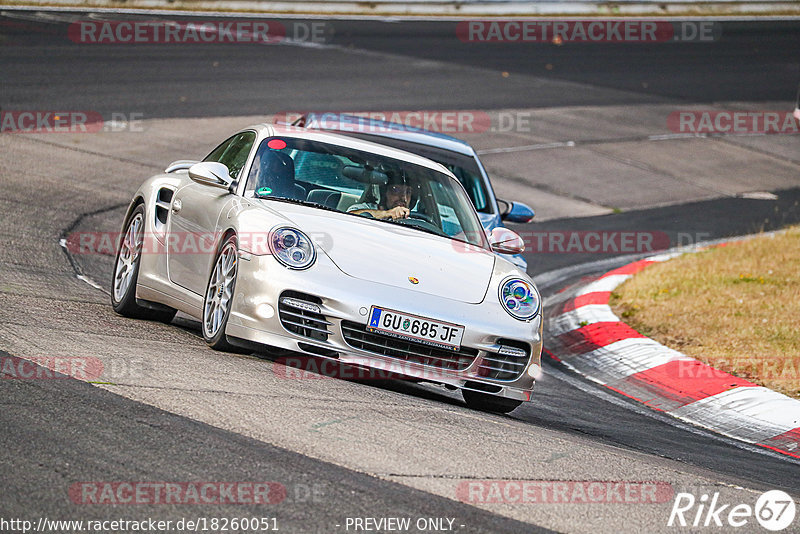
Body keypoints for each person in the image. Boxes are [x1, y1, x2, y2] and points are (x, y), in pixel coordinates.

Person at [347, 170, 415, 220]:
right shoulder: (363, 208)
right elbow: (349, 217)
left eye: (408, 192)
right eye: (396, 190)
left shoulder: (415, 222)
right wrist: (387, 213)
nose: (404, 198)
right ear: (383, 193)